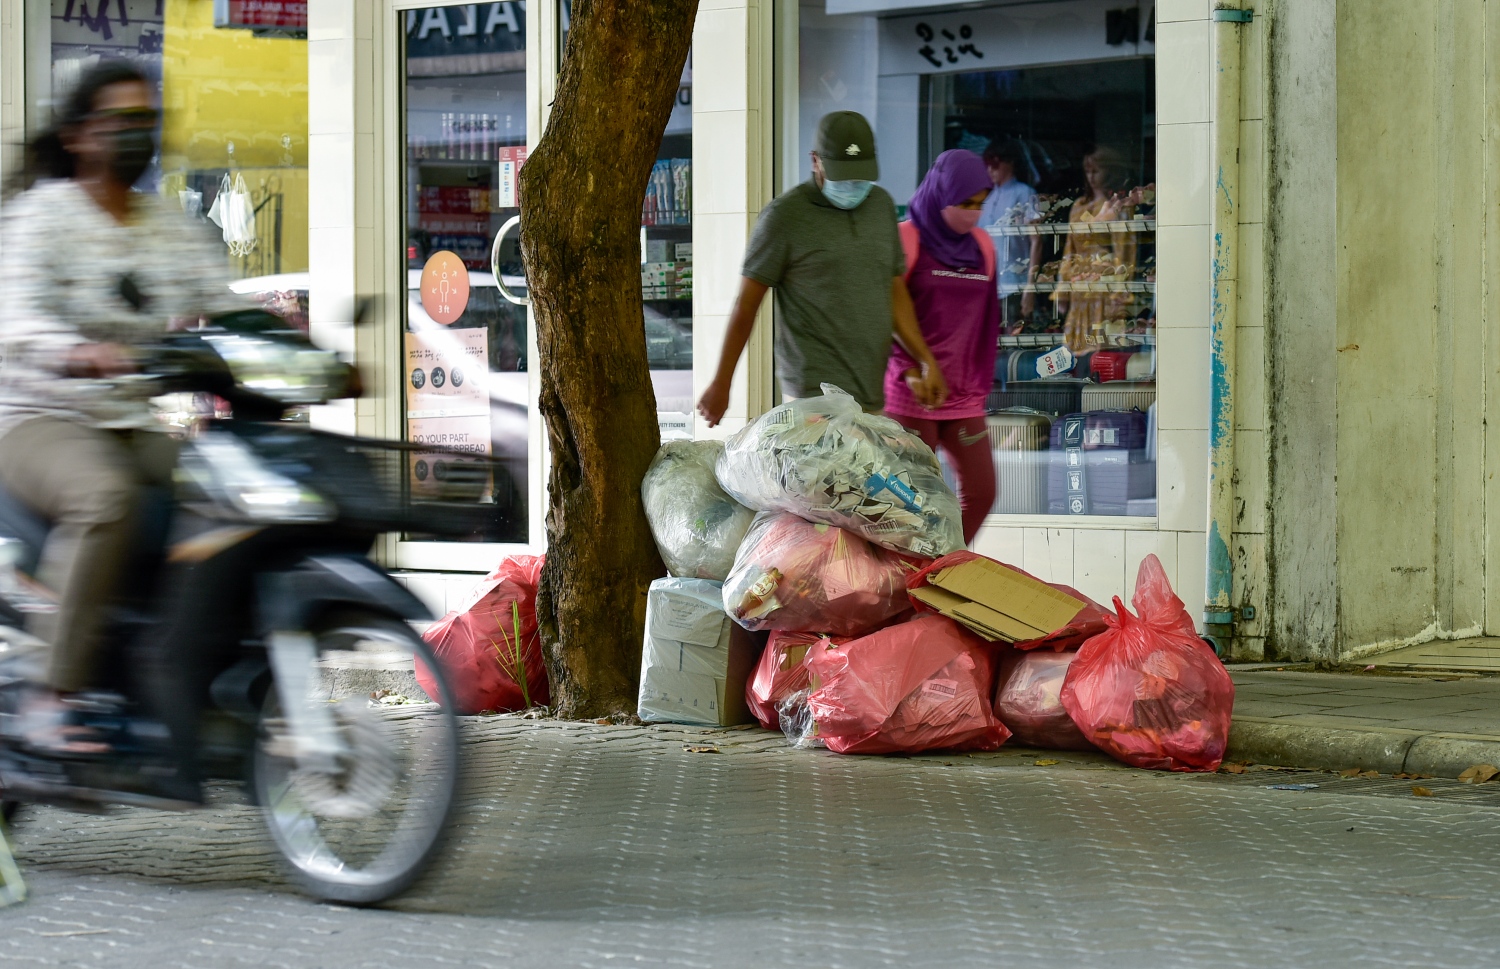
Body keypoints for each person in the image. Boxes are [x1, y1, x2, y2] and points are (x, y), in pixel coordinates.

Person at [0, 60, 237, 756]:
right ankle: (53, 692)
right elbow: (12, 320)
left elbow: (226, 307)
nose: (140, 134)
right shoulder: (42, 216)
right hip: (37, 419)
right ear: (79, 135)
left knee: (233, 496)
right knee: (107, 498)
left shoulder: (165, 227)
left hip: (130, 422)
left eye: (148, 121)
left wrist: (310, 354)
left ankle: (183, 673)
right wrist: (80, 350)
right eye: (122, 121)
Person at [696, 111, 946, 426]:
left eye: (861, 175)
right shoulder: (785, 217)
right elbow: (746, 305)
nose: (853, 185)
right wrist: (722, 382)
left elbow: (894, 292)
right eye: (843, 174)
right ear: (815, 161)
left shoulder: (881, 206)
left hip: (870, 396)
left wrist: (925, 359)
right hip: (811, 401)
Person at [884, 150, 999, 545]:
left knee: (983, 493)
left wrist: (979, 379)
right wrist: (916, 366)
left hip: (962, 394)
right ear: (939, 194)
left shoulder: (982, 246)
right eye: (964, 203)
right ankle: (904, 584)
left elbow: (985, 321)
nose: (973, 213)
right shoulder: (907, 237)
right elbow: (888, 310)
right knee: (908, 501)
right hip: (912, 391)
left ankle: (942, 569)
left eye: (980, 204)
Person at [1055, 145, 1140, 352]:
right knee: (1075, 349)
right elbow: (1069, 249)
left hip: (1104, 285)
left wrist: (1120, 295)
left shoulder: (1119, 206)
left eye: (1096, 171)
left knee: (1101, 348)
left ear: (1110, 172)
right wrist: (1063, 289)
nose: (1091, 177)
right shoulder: (1078, 206)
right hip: (1079, 287)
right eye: (1088, 171)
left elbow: (1124, 252)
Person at [979, 140, 1040, 326]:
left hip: (1014, 284)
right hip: (987, 286)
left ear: (1009, 163)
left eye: (995, 164)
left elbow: (1037, 241)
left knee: (1014, 342)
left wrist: (1031, 286)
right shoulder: (986, 199)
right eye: (987, 164)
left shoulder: (1025, 193)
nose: (991, 170)